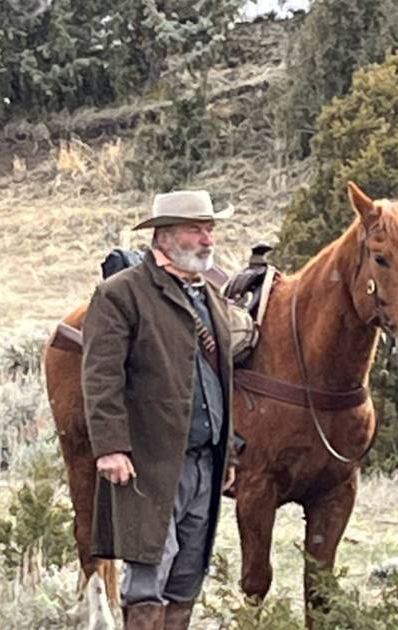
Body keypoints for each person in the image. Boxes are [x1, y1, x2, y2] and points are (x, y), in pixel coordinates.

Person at [82, 191, 238, 630]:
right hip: (148, 462)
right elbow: (100, 376)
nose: (207, 239)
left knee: (187, 577)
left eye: (210, 229)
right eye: (196, 229)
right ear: (164, 237)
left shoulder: (209, 295)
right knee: (149, 573)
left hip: (205, 461)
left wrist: (226, 454)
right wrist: (111, 447)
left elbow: (222, 381)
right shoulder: (121, 295)